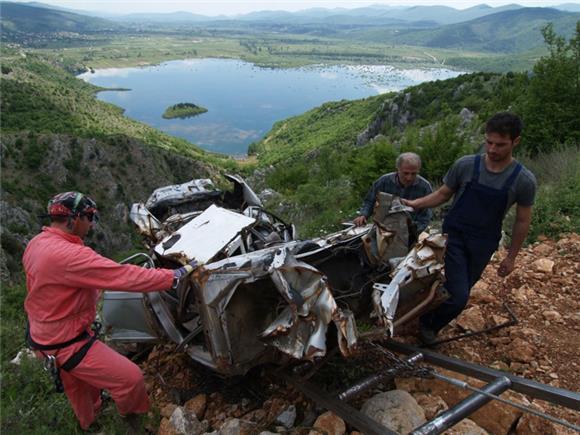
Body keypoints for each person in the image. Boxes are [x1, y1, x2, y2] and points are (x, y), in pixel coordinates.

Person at [22, 191, 197, 431]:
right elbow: (123, 275)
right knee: (130, 379)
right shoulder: (69, 255)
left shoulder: (37, 243)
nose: (92, 223)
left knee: (80, 389)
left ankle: (90, 423)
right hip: (67, 342)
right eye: (90, 217)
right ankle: (131, 423)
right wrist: (174, 276)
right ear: (74, 219)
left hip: (43, 336)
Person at [403, 112, 537, 344]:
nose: (492, 149)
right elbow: (443, 194)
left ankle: (423, 316)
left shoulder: (523, 180)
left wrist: (511, 257)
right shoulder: (465, 165)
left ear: (516, 142)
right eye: (489, 142)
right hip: (454, 236)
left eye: (500, 144)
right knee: (459, 296)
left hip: (484, 243)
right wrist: (416, 204)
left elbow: (522, 221)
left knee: (459, 288)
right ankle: (427, 326)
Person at [354, 152, 433, 236]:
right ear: (397, 169)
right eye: (405, 173)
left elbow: (425, 217)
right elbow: (370, 201)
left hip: (411, 232)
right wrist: (363, 215)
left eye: (413, 173)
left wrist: (412, 231)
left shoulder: (424, 187)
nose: (409, 178)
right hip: (383, 229)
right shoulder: (384, 181)